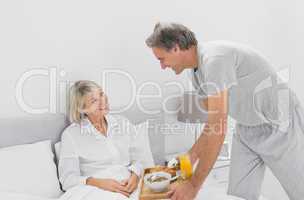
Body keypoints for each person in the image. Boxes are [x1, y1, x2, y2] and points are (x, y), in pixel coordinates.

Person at [145, 22, 304, 200]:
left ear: (175, 48)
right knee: (238, 195)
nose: (162, 66)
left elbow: (218, 129)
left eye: (161, 59)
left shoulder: (215, 60)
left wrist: (192, 185)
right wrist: (188, 160)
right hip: (247, 129)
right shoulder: (195, 73)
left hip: (281, 126)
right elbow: (211, 127)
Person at [58, 80, 146, 199]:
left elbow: (139, 158)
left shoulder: (122, 122)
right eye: (94, 101)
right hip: (96, 190)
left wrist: (135, 176)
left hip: (128, 184)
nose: (102, 101)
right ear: (82, 109)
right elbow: (68, 180)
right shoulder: (71, 134)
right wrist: (100, 183)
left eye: (101, 94)